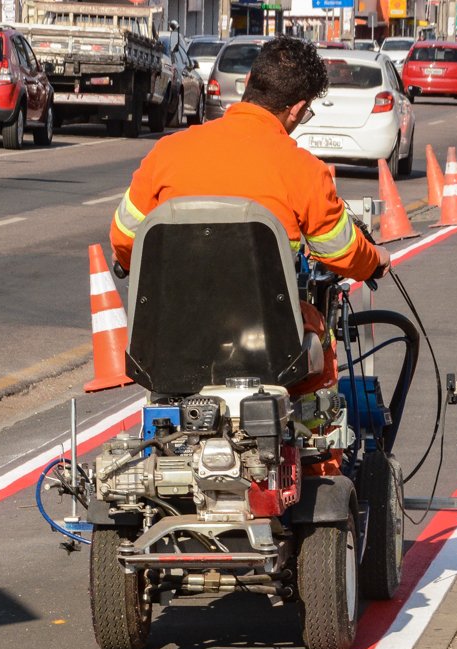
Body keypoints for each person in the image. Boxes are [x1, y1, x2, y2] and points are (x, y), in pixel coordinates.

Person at [110, 36, 391, 402]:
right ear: (297, 109)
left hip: (172, 340)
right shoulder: (302, 170)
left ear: (249, 86)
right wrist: (375, 259)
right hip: (267, 347)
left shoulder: (167, 152)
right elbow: (340, 252)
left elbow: (123, 239)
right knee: (319, 347)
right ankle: (319, 457)